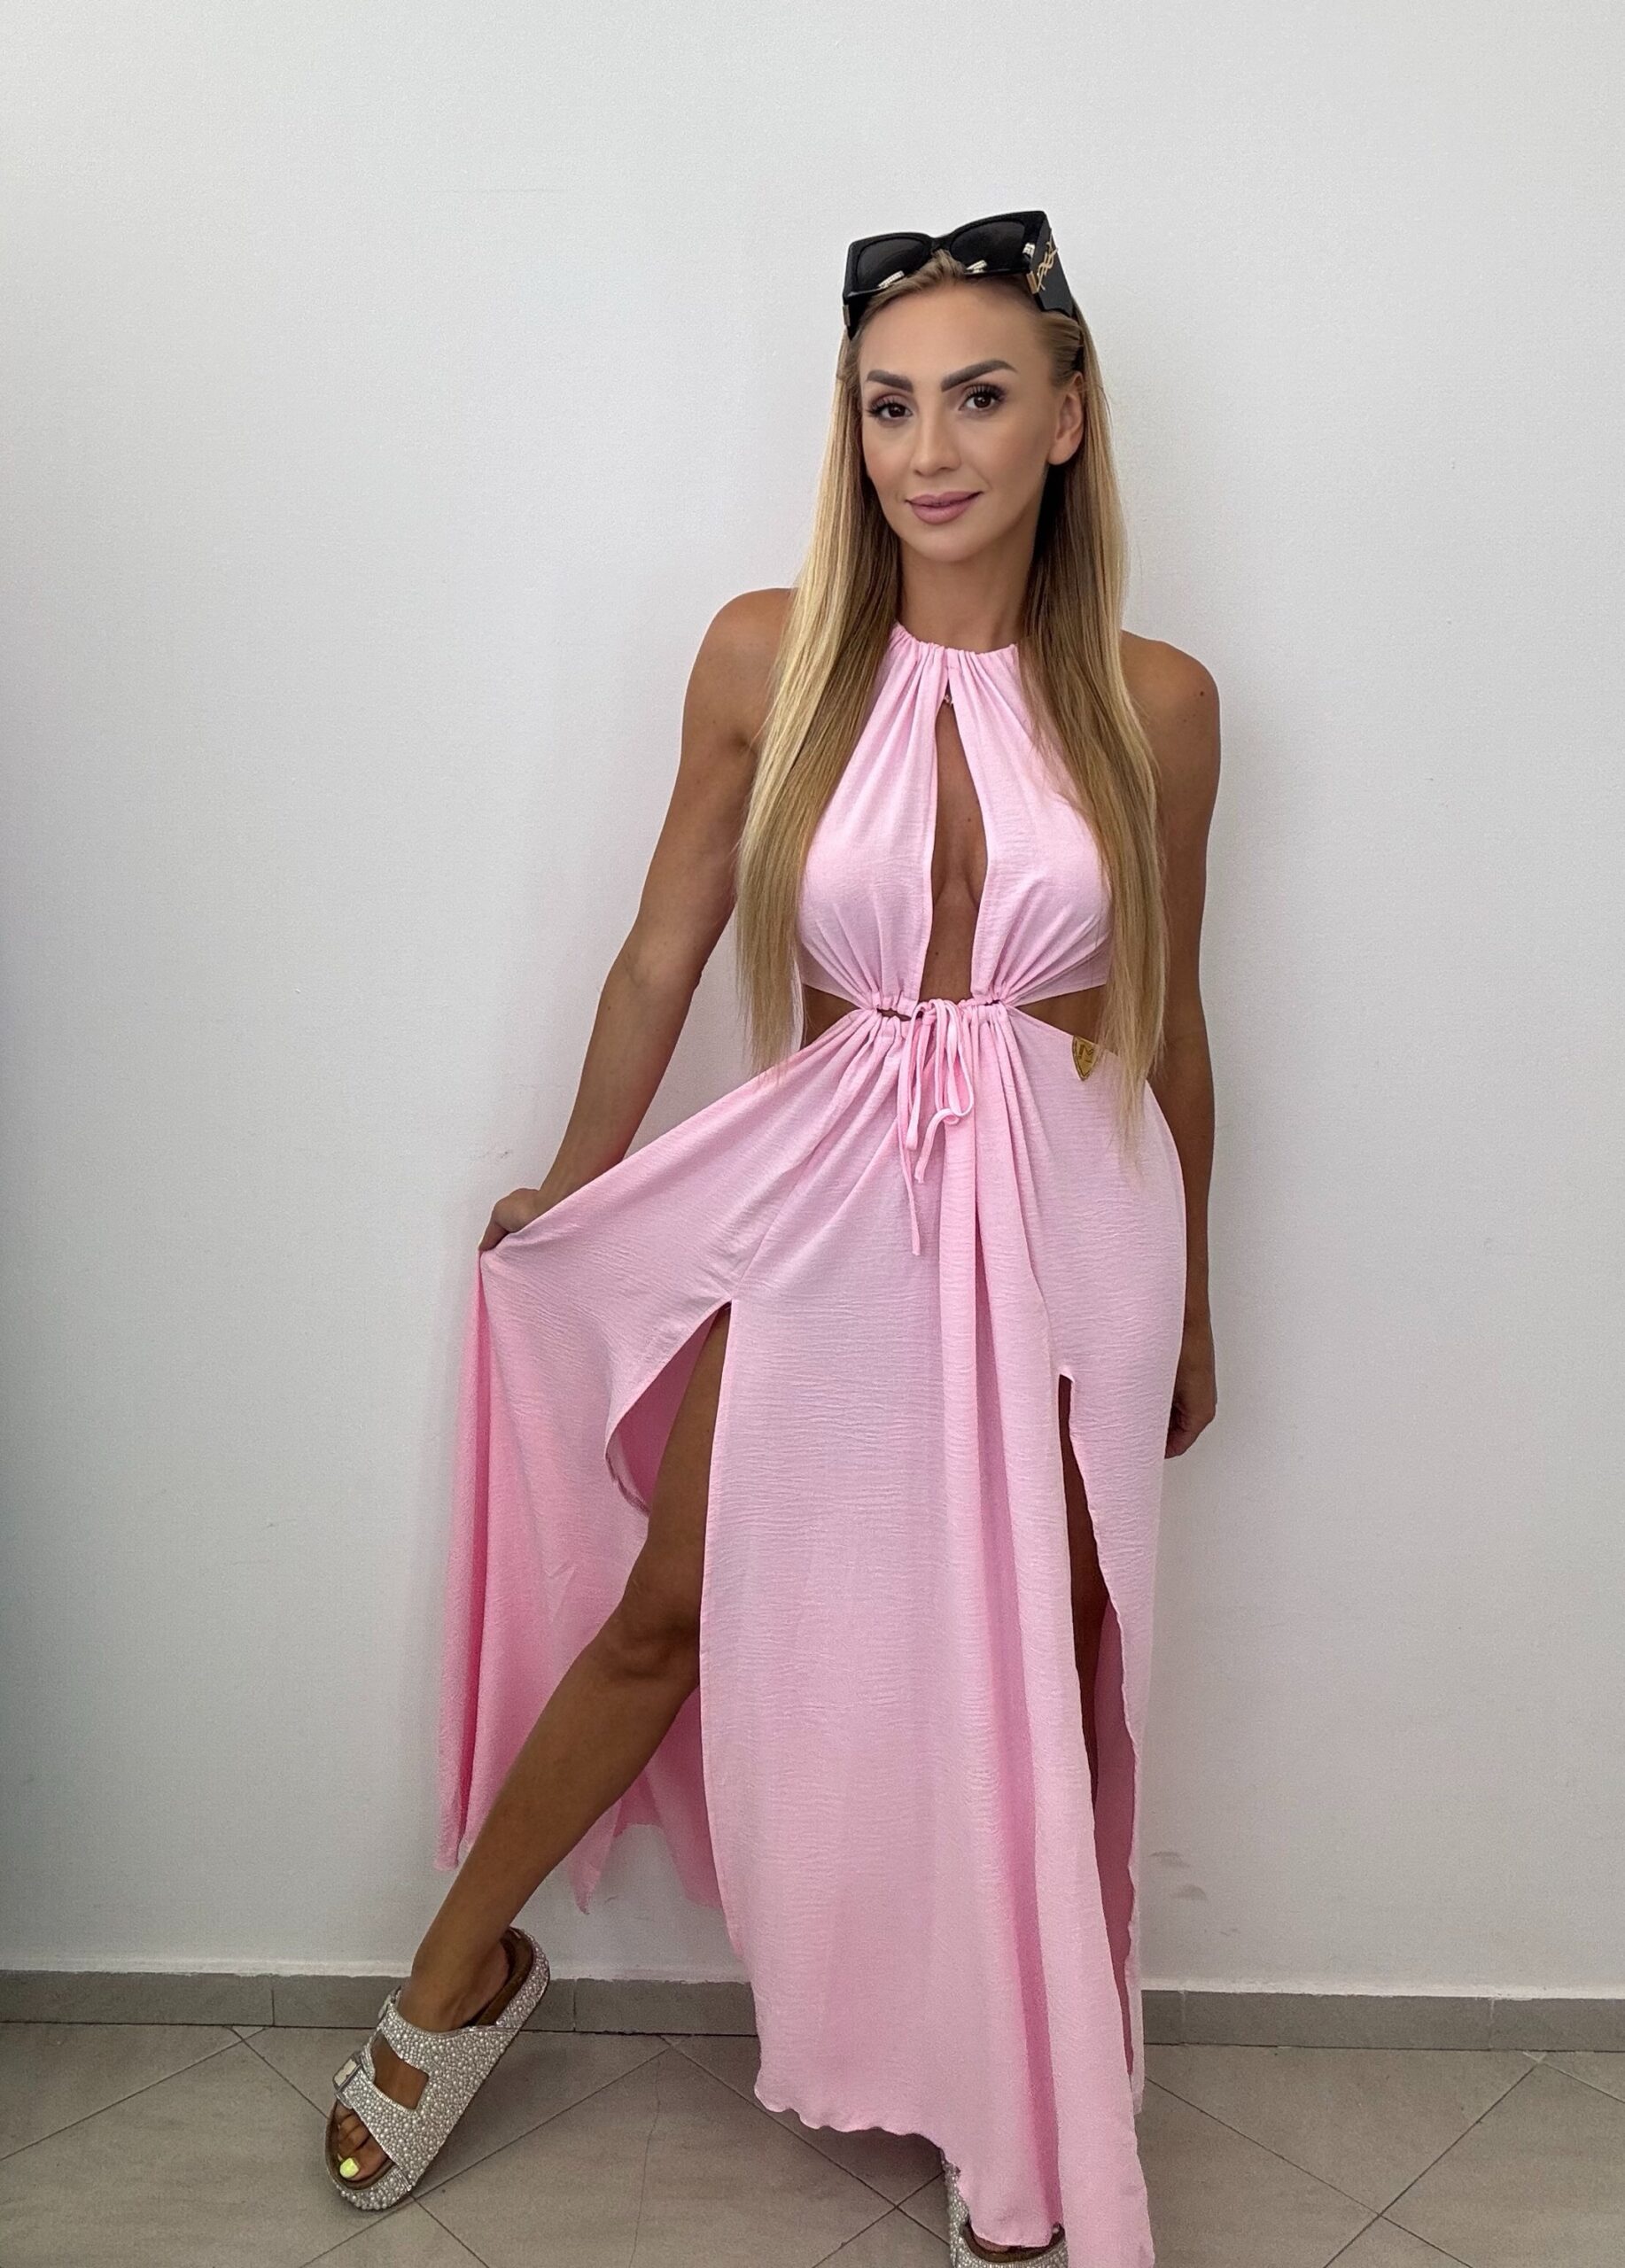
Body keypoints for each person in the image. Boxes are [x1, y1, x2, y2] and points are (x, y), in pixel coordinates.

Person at [326, 212, 1219, 2266]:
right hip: (827, 1189)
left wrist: (1195, 1299)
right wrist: (580, 1181)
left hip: (1070, 1218)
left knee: (1033, 1653)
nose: (929, 448)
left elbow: (1168, 1020)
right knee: (671, 1603)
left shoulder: (1157, 701)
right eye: (887, 405)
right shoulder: (769, 651)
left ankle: (1011, 2084)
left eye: (977, 397)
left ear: (1064, 418)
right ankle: (458, 1967)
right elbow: (661, 948)